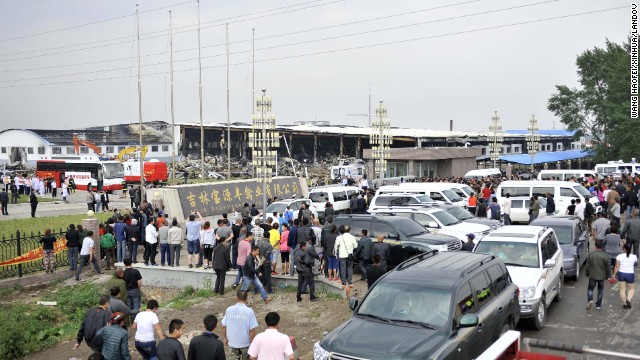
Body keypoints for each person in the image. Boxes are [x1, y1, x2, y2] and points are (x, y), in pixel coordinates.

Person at [222, 290, 260, 360]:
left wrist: (225, 338)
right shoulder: (249, 311)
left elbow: (224, 326)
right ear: (246, 298)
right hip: (245, 344)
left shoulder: (229, 310)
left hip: (232, 343)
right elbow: (252, 330)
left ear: (236, 298)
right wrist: (252, 342)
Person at [586, 240, 611, 311]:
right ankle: (598, 305)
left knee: (590, 289)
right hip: (602, 276)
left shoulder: (591, 255)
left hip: (593, 275)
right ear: (602, 246)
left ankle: (590, 300)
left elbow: (588, 266)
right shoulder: (605, 255)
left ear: (595, 246)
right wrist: (608, 276)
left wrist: (587, 274)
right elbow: (608, 267)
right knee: (600, 290)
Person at [613, 242, 638, 309]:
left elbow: (617, 266)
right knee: (631, 289)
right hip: (630, 274)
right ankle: (628, 299)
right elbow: (635, 262)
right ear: (631, 249)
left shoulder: (619, 256)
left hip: (621, 274)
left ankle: (624, 304)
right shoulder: (634, 257)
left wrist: (614, 274)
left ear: (623, 248)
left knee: (622, 289)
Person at [335, 225, 357, 295]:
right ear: (349, 230)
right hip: (350, 255)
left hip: (342, 255)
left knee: (343, 268)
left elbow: (336, 246)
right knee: (350, 268)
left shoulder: (339, 237)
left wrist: (336, 253)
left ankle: (343, 282)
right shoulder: (352, 237)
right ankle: (350, 282)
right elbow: (356, 246)